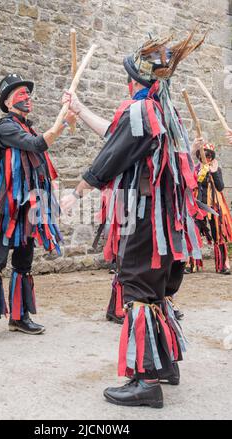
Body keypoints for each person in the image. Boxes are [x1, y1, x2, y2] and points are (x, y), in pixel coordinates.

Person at [61, 30, 205, 408]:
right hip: (167, 221)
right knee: (156, 291)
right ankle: (165, 366)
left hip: (146, 218)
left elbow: (110, 158)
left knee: (138, 289)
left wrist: (75, 194)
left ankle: (144, 382)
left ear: (133, 79)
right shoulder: (162, 112)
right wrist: (78, 108)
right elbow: (117, 138)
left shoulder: (140, 111)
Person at [0, 73, 75, 345]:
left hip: (29, 209)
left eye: (28, 93)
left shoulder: (25, 126)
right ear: (7, 102)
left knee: (24, 263)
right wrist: (62, 124)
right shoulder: (5, 127)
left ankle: (19, 316)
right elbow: (38, 145)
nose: (27, 97)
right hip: (6, 210)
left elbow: (38, 153)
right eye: (20, 93)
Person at [191, 138, 232, 274]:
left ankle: (223, 265)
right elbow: (192, 184)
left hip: (214, 207)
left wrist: (214, 172)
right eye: (204, 154)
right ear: (199, 156)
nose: (206, 157)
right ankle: (191, 264)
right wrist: (201, 172)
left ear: (212, 156)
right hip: (198, 206)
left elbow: (220, 187)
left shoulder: (217, 169)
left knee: (218, 234)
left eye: (209, 155)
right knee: (193, 232)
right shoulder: (196, 169)